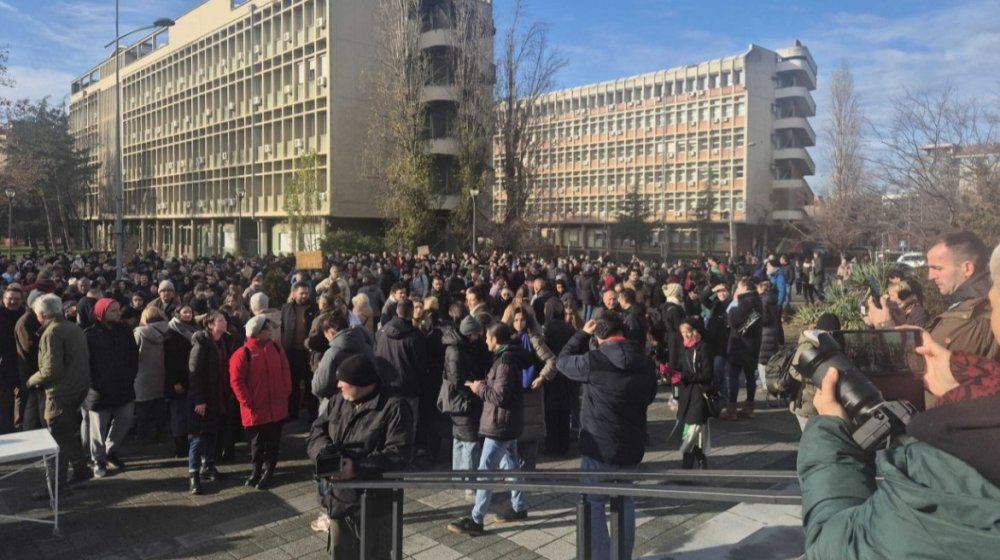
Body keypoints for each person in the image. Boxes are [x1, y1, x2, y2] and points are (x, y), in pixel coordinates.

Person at [797, 293, 1000, 557]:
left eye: (993, 305)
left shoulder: (941, 479)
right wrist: (970, 379)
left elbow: (835, 545)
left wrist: (830, 430)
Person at [554, 314, 657, 559]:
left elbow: (562, 362)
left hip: (599, 445)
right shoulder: (644, 360)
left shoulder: (595, 360)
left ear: (599, 335)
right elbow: (650, 395)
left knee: (594, 503)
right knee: (625, 501)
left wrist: (581, 333)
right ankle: (623, 556)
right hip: (631, 443)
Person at [307, 354, 414, 558]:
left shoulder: (394, 407)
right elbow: (315, 433)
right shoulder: (338, 401)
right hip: (337, 501)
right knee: (341, 553)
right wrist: (324, 453)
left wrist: (356, 468)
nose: (338, 385)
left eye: (343, 381)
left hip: (372, 504)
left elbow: (399, 452)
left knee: (374, 554)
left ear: (362, 383)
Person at [447, 322, 533, 535]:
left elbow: (499, 396)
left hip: (500, 424)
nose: (485, 340)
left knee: (485, 471)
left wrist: (479, 388)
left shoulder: (504, 361)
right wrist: (485, 383)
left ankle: (476, 520)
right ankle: (519, 506)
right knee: (512, 464)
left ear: (496, 340)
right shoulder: (506, 358)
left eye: (488, 337)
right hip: (507, 422)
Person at [27, 294, 92, 494]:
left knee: (56, 439)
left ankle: (56, 485)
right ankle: (81, 469)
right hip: (77, 388)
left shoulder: (51, 333)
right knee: (67, 433)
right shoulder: (74, 328)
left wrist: (30, 381)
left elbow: (51, 370)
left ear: (41, 314)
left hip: (60, 392)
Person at [229, 316, 291, 490]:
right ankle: (256, 471)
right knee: (256, 444)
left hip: (276, 405)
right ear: (257, 333)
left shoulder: (277, 348)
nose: (270, 331)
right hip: (256, 408)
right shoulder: (243, 353)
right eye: (267, 329)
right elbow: (237, 381)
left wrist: (286, 390)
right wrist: (247, 401)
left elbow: (285, 369)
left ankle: (268, 472)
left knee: (273, 443)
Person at [83, 298, 139, 478]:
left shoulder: (124, 331)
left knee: (125, 420)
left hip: (123, 386)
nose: (118, 313)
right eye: (113, 310)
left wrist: (130, 376)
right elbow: (86, 363)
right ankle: (98, 459)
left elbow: (133, 356)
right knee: (98, 428)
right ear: (102, 313)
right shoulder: (89, 335)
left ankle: (110, 451)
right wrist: (94, 383)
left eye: (118, 310)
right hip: (98, 390)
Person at [187, 312, 235, 494]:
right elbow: (194, 371)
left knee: (213, 433)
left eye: (225, 319)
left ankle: (209, 465)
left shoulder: (223, 341)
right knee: (199, 436)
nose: (225, 322)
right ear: (211, 325)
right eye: (221, 320)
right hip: (204, 397)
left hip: (219, 396)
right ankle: (194, 474)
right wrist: (199, 399)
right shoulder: (202, 343)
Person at [723, 277, 763, 420]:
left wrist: (732, 306)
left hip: (740, 345)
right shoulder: (757, 300)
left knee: (733, 375)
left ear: (745, 287)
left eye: (738, 287)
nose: (737, 290)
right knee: (750, 376)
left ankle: (731, 408)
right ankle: (749, 407)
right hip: (752, 344)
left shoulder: (745, 301)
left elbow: (733, 319)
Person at [133, 305, 173, 444]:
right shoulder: (169, 331)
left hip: (142, 374)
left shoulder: (139, 332)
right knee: (159, 405)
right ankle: (160, 433)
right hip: (162, 373)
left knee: (142, 407)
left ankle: (142, 435)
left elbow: (132, 354)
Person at [676, 319, 713, 469]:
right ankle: (701, 460)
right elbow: (680, 370)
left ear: (695, 331)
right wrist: (675, 391)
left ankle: (687, 466)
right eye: (683, 333)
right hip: (686, 396)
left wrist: (685, 377)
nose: (685, 335)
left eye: (688, 332)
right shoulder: (684, 348)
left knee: (693, 430)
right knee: (693, 431)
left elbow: (707, 375)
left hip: (698, 395)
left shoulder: (703, 348)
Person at [280, 282, 319, 423]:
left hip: (309, 353)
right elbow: (283, 329)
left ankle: (312, 414)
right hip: (291, 352)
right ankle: (292, 413)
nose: (304, 296)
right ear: (294, 293)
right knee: (293, 384)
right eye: (301, 293)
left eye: (306, 293)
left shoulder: (314, 309)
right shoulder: (286, 309)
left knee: (310, 384)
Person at [0, 286, 24, 434]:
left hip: (21, 366)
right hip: (3, 368)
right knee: (4, 404)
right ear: (3, 299)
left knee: (22, 402)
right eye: (10, 299)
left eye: (17, 299)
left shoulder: (24, 315)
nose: (13, 301)